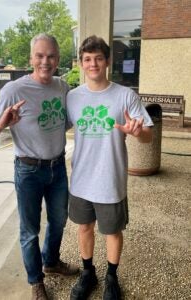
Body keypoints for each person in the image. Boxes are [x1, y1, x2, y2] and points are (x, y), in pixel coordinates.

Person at [0, 33, 79, 300]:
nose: (45, 61)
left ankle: (51, 262)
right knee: (29, 230)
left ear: (58, 60)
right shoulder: (14, 90)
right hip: (28, 171)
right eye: (40, 56)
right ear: (31, 58)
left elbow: (68, 121)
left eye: (51, 56)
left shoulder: (62, 86)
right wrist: (2, 123)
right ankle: (36, 280)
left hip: (57, 167)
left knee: (59, 220)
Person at [66, 35, 153, 300]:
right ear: (81, 63)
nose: (93, 64)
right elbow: (57, 128)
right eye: (87, 59)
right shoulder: (72, 97)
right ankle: (88, 272)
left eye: (98, 58)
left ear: (107, 61)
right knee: (84, 227)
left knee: (113, 231)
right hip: (80, 178)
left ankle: (112, 277)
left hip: (111, 179)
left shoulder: (125, 96)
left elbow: (148, 134)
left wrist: (137, 132)